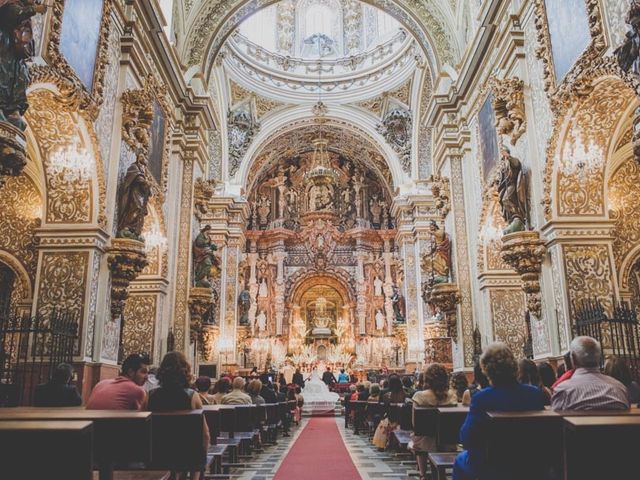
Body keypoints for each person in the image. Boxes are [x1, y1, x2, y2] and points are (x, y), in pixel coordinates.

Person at [454, 343, 545, 480]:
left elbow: (467, 437)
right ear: (514, 366)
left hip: (492, 465)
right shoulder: (534, 394)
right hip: (530, 461)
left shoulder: (482, 398)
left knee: (460, 460)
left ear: (485, 370)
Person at [147, 352, 209, 480]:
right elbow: (205, 434)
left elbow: (143, 429)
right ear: (185, 371)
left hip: (158, 453)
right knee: (196, 448)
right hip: (187, 455)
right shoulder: (192, 396)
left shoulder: (150, 395)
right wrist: (204, 455)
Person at [551, 337, 629, 411]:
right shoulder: (620, 388)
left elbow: (556, 422)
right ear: (599, 358)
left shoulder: (563, 390)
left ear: (573, 359)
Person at [412, 364, 457, 480]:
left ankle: (423, 474)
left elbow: (415, 424)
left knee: (421, 435)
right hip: (448, 441)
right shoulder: (452, 396)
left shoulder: (419, 397)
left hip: (425, 445)